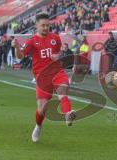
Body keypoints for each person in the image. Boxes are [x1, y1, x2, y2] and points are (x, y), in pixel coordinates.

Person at [11, 13, 76, 143]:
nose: (46, 28)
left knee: (62, 92)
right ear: (37, 25)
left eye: (48, 25)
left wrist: (58, 56)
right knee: (42, 109)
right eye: (43, 25)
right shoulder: (31, 41)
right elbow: (20, 56)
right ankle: (38, 127)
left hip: (57, 72)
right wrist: (17, 47)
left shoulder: (56, 38)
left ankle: (68, 114)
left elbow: (59, 53)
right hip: (42, 78)